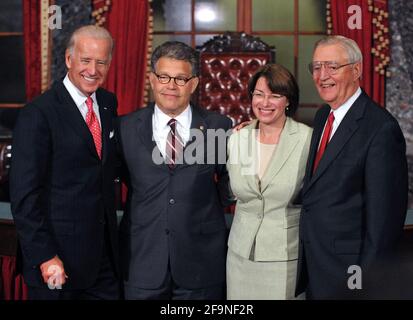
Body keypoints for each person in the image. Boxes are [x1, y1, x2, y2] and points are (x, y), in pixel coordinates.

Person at [10, 25, 120, 300]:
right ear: (69, 60)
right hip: (57, 265)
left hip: (104, 263)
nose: (93, 70)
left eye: (101, 62)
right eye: (85, 60)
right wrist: (45, 256)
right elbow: (24, 197)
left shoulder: (108, 103)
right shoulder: (38, 114)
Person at [117, 41, 233, 300]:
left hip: (201, 264)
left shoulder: (218, 127)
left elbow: (231, 181)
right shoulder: (124, 127)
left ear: (193, 84)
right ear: (152, 80)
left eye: (181, 78)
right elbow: (123, 180)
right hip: (142, 262)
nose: (171, 85)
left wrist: (201, 206)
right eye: (164, 77)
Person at [295, 35, 408, 299]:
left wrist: (363, 285)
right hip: (317, 266)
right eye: (316, 67)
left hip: (349, 276)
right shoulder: (324, 115)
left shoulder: (380, 129)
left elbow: (384, 226)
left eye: (332, 67)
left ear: (356, 70)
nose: (322, 75)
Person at [226, 64, 312, 299]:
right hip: (239, 256)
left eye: (275, 96)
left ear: (288, 101)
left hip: (285, 256)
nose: (265, 103)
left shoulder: (307, 140)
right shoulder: (236, 139)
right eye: (259, 94)